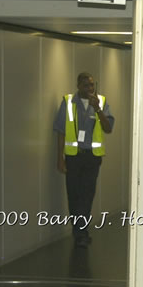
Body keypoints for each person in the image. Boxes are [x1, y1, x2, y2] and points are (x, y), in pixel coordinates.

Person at [53, 72, 114, 248]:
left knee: (87, 195)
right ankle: (78, 231)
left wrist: (98, 109)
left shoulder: (101, 102)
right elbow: (61, 131)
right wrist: (60, 158)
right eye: (87, 85)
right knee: (74, 195)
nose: (90, 89)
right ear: (78, 85)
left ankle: (81, 232)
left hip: (92, 158)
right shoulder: (68, 102)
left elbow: (108, 128)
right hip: (73, 156)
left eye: (92, 85)